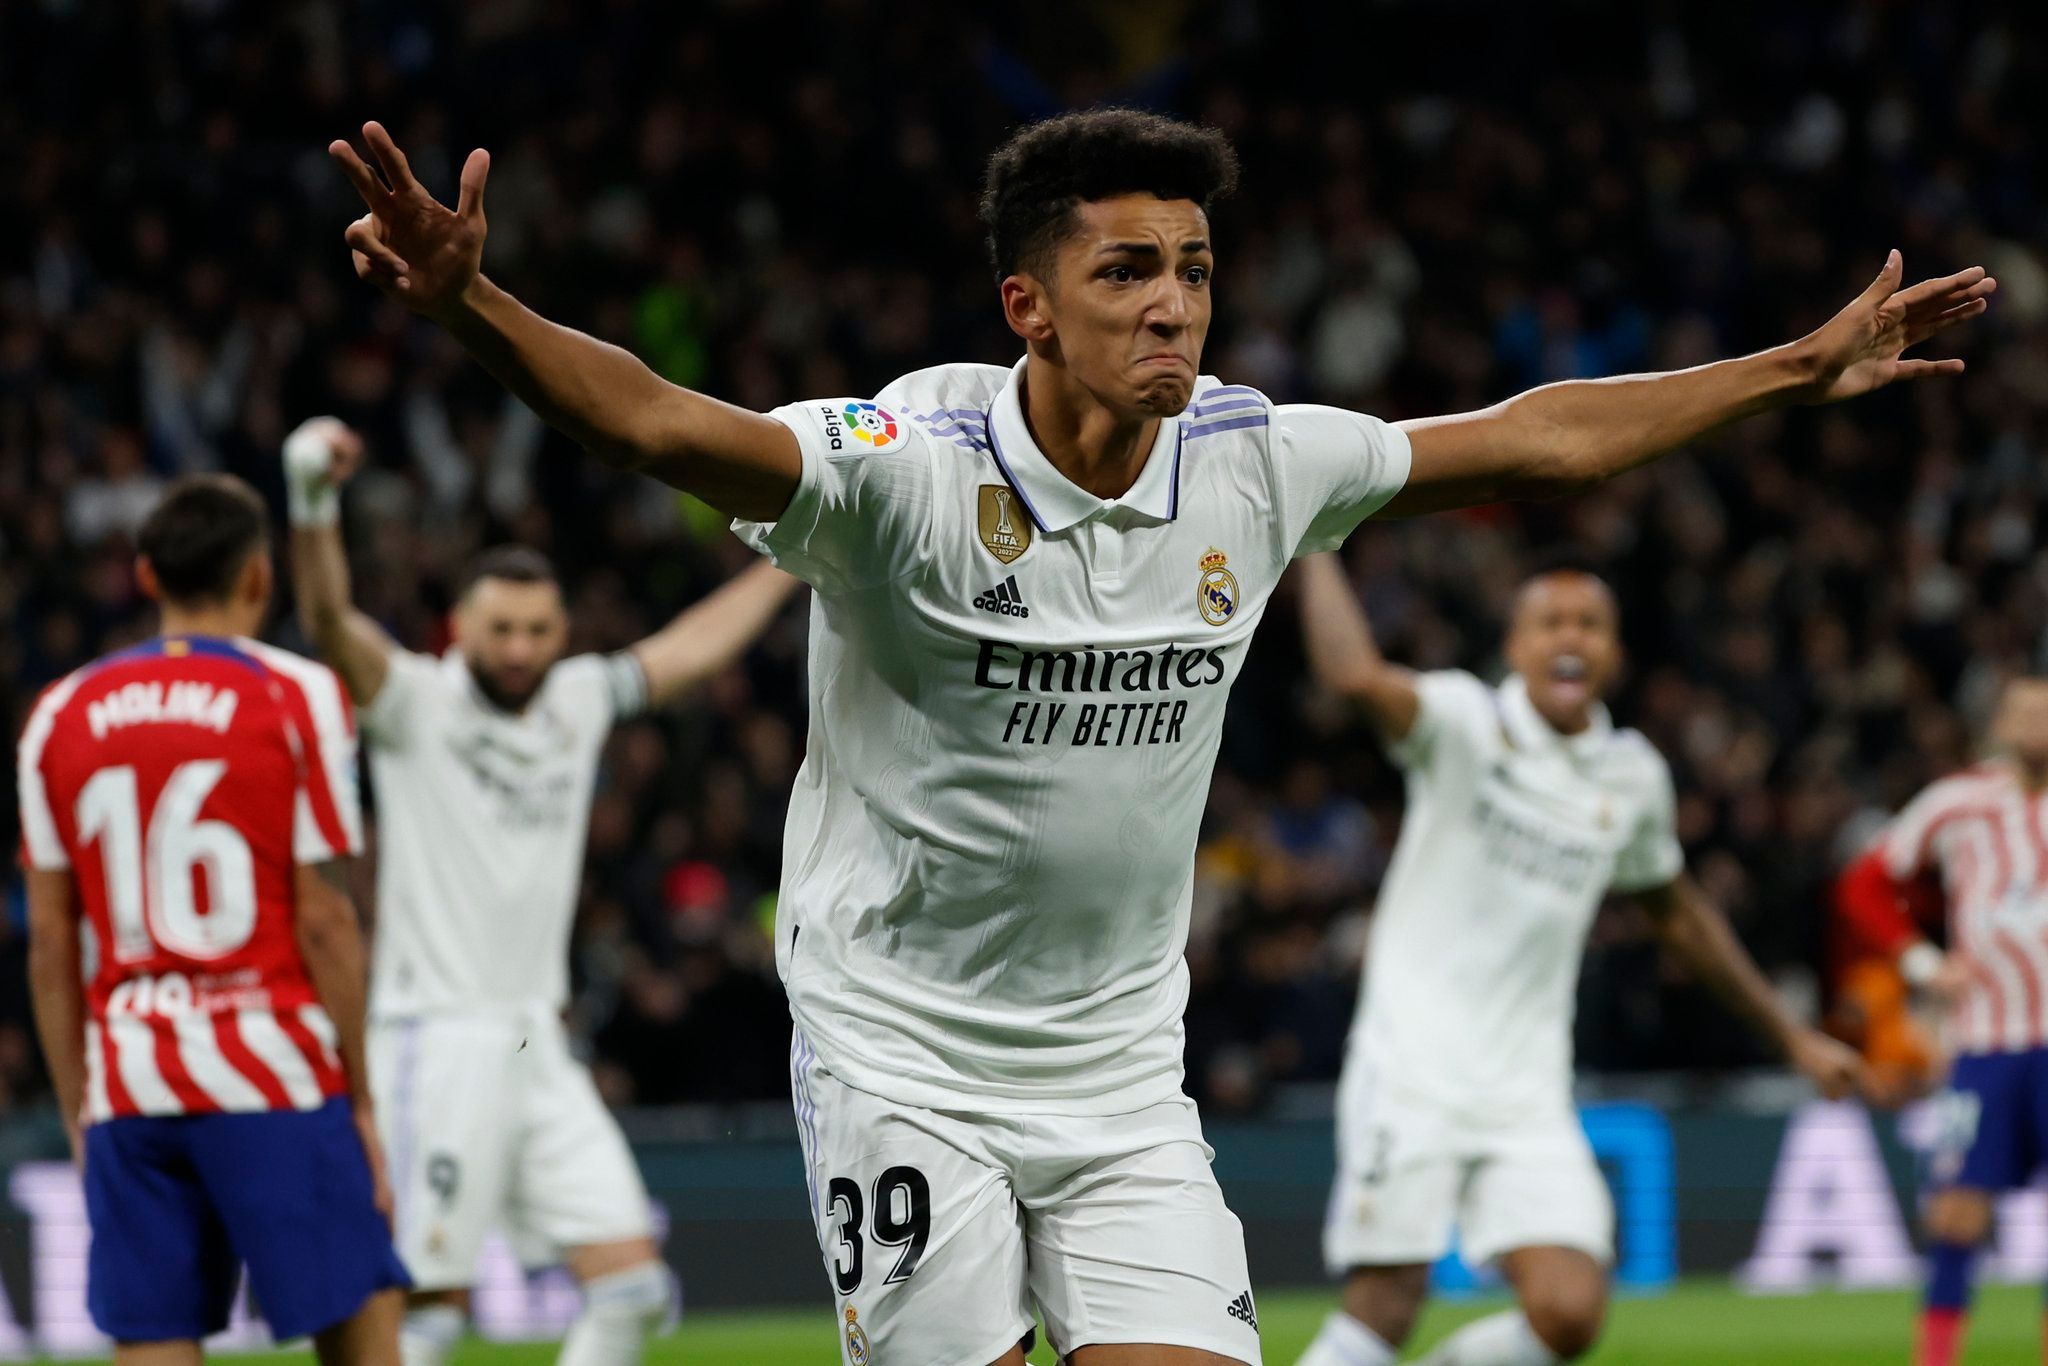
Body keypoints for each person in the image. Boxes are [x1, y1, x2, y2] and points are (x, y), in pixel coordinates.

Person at [324, 105, 1989, 1366]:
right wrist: (476, 310)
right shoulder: (905, 466)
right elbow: (651, 422)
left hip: (1119, 1068)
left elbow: (1538, 442)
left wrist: (1795, 367)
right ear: (1028, 306)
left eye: (1192, 269)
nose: (1172, 306)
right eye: (1124, 271)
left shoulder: (1255, 461)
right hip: (900, 1052)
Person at [279, 417, 801, 1366]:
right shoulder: (414, 702)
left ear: (561, 633)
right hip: (434, 1038)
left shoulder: (577, 699)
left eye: (537, 631)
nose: (520, 649)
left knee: (631, 1287)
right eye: (501, 631)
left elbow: (690, 648)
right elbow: (326, 620)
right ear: (460, 630)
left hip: (537, 1043)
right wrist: (311, 499)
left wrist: (794, 556)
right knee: (423, 1306)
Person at [1290, 552, 1869, 1366]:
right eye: (1551, 623)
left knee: (1569, 1311)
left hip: (1527, 1090)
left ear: (1614, 653)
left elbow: (1680, 916)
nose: (1571, 638)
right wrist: (1314, 542)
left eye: (1589, 625)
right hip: (1410, 1069)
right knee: (1387, 1301)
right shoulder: (1464, 722)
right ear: (1516, 647)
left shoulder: (1630, 776)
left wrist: (1792, 1037)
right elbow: (1354, 677)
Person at [15, 474, 406, 1363]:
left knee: (153, 1339)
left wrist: (82, 1111)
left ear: (146, 576)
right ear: (259, 576)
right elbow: (325, 920)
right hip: (273, 1069)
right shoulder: (298, 694)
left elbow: (49, 944)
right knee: (361, 1330)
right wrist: (361, 1099)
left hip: (131, 1080)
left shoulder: (57, 715)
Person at [1833, 677, 2048, 1366]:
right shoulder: (1957, 803)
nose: (2037, 723)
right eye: (2024, 711)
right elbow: (1864, 884)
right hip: (1984, 1047)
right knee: (1956, 1213)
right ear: (2000, 724)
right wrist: (1921, 962)